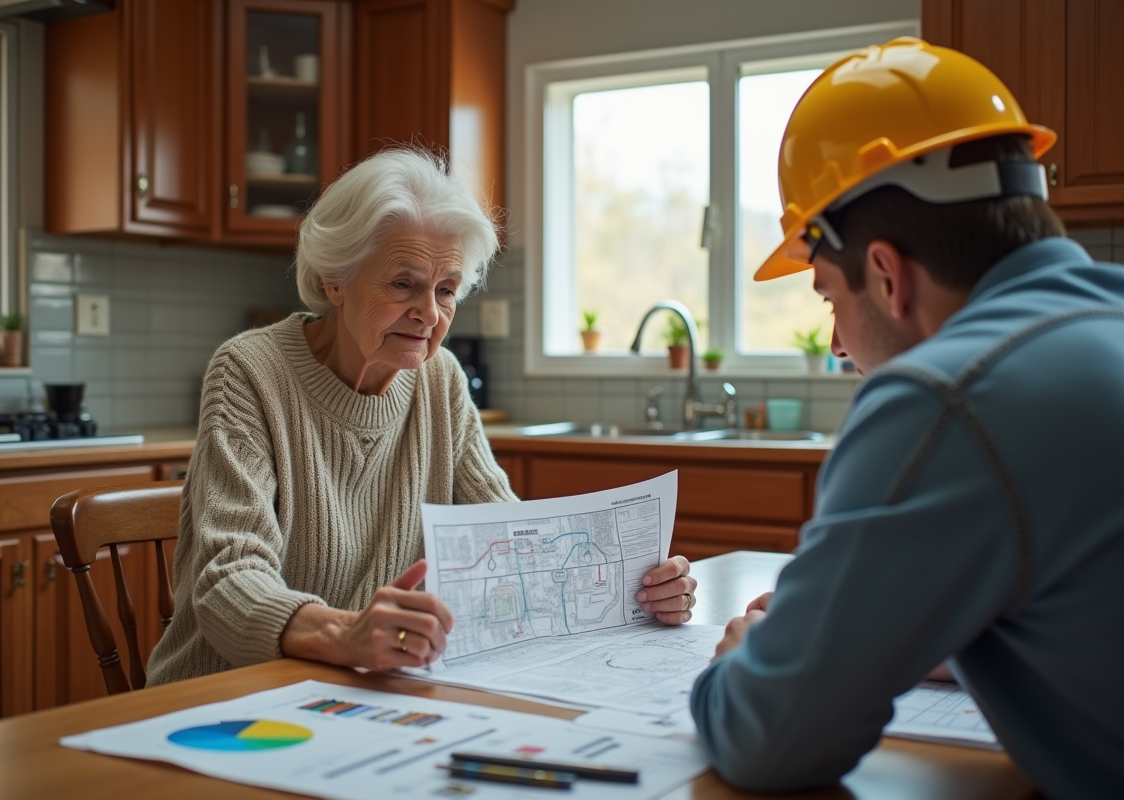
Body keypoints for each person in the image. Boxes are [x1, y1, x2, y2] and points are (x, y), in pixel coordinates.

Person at [690, 38, 1124, 799]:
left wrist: (741, 663)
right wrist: (933, 636)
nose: (839, 347)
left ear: (886, 275)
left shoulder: (947, 395)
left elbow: (772, 739)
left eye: (829, 296)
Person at [147, 149, 697, 686]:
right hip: (231, 694)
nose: (429, 313)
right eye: (403, 284)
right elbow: (227, 581)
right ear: (335, 279)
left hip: (364, 686)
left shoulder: (441, 380)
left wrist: (641, 592)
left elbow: (511, 544)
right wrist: (345, 633)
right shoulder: (250, 371)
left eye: (446, 289)